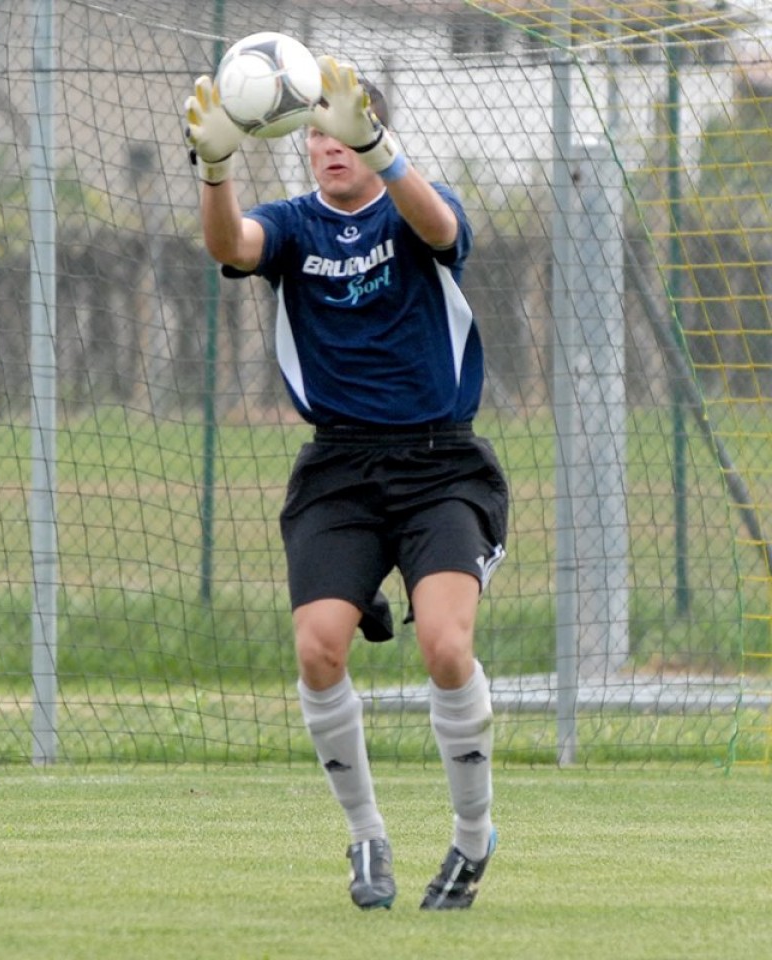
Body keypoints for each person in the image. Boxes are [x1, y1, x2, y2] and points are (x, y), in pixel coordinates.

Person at [184, 57, 506, 911]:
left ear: (370, 131)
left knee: (445, 647)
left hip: (442, 464)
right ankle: (367, 837)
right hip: (340, 468)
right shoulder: (292, 227)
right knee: (318, 646)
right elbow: (230, 245)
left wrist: (387, 153)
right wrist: (215, 169)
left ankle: (472, 843)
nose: (327, 146)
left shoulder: (411, 207)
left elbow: (442, 230)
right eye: (314, 132)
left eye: (342, 131)